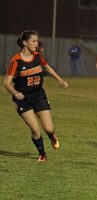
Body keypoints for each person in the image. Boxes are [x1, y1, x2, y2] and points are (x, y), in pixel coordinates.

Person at [3, 30, 68, 162]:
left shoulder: (38, 55)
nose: (36, 43)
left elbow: (47, 67)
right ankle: (42, 154)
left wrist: (60, 80)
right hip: (23, 100)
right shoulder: (16, 61)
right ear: (25, 43)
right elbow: (6, 83)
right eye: (34, 41)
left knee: (48, 129)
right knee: (35, 130)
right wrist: (15, 93)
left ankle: (51, 135)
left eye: (37, 41)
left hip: (39, 95)